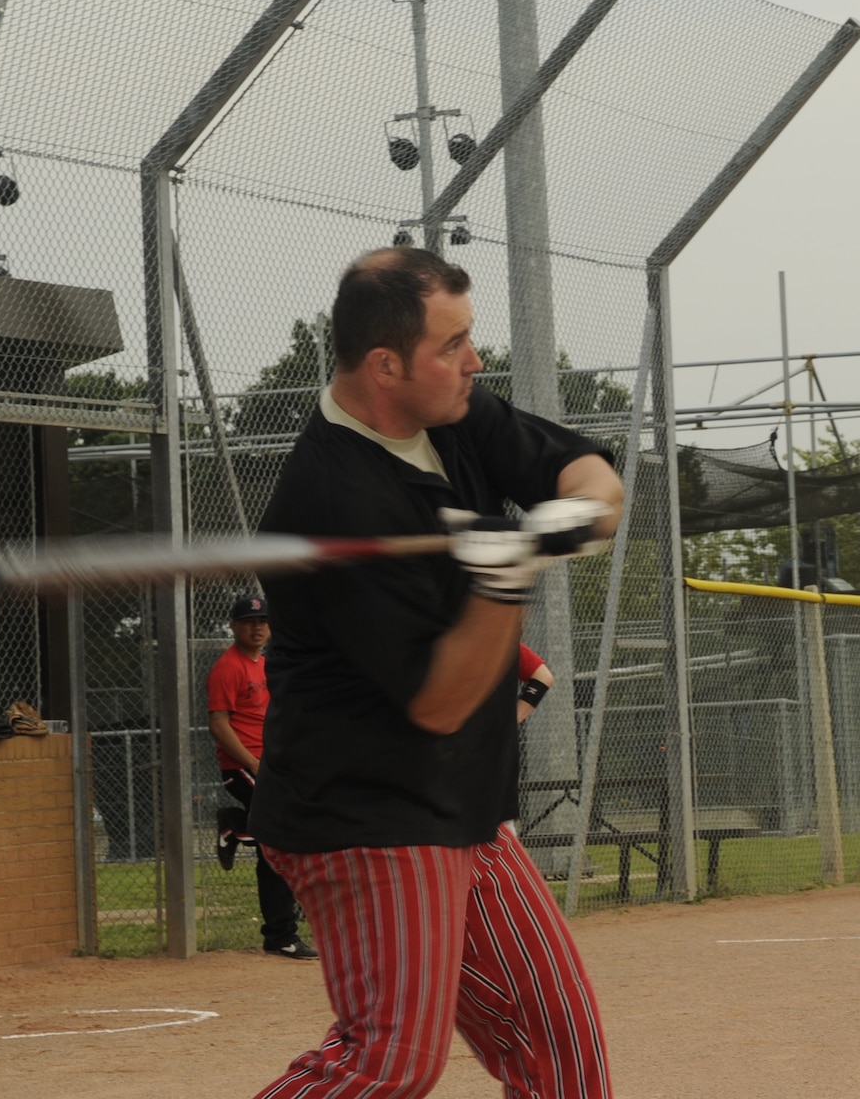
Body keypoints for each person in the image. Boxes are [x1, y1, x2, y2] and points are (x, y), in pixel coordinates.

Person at [251, 248, 624, 1099]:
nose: (474, 360)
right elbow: (444, 699)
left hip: (462, 808)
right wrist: (505, 578)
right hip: (366, 812)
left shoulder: (450, 410)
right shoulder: (332, 500)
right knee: (389, 1062)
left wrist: (567, 514)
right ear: (386, 365)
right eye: (453, 344)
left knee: (561, 1051)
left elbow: (595, 480)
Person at [207, 595, 317, 961]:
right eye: (249, 621)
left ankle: (236, 826)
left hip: (272, 765)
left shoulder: (265, 665)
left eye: (263, 621)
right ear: (233, 626)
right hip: (245, 767)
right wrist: (252, 764)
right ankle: (281, 934)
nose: (257, 627)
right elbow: (218, 723)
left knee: (285, 839)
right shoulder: (229, 667)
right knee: (279, 843)